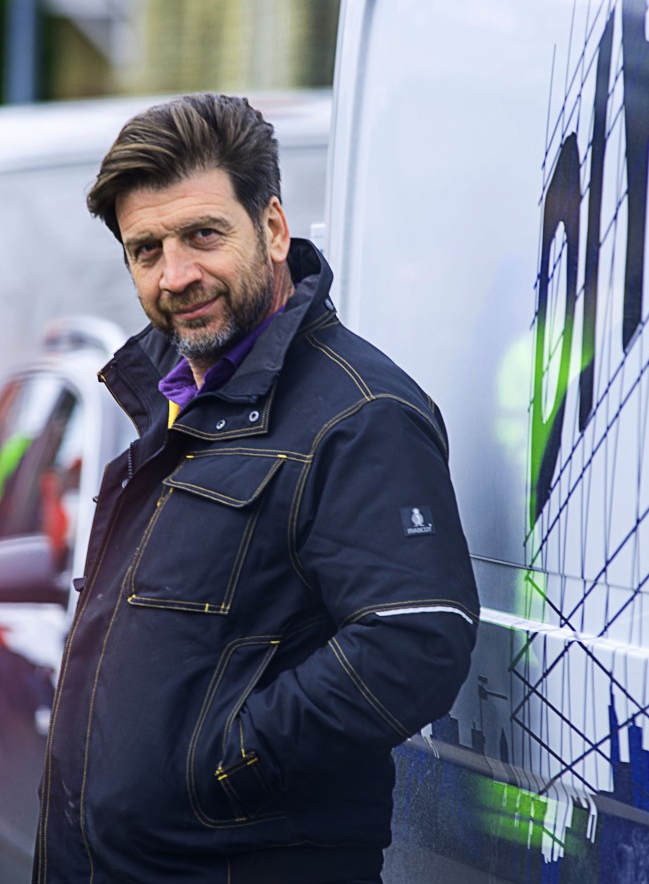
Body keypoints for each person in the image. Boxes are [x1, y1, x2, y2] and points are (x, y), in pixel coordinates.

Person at [33, 93, 479, 884]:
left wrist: (214, 764)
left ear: (272, 228)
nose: (177, 274)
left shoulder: (360, 413)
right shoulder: (173, 405)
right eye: (146, 249)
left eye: (203, 235)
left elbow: (414, 638)